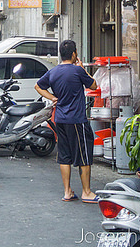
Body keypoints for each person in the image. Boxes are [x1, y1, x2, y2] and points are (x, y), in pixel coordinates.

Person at [35, 39, 99, 203]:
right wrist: (84, 70)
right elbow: (93, 86)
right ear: (73, 54)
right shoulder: (77, 71)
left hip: (60, 119)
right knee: (84, 155)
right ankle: (86, 192)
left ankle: (67, 191)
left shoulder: (54, 72)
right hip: (77, 119)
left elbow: (38, 86)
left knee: (64, 156)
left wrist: (52, 97)